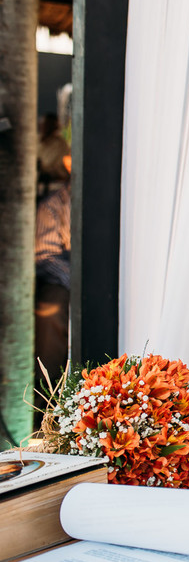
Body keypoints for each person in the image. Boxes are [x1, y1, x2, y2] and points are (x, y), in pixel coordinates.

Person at [34, 153, 71, 399]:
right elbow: (44, 256)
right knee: (51, 311)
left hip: (100, 280)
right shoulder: (53, 205)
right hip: (62, 279)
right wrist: (79, 280)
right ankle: (49, 394)